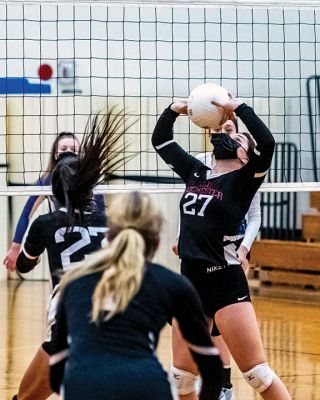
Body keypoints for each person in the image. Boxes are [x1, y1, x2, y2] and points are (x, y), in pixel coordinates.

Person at [152, 94, 291, 400]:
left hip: (225, 282)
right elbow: (161, 140)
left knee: (257, 375)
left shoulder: (244, 181)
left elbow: (266, 144)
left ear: (246, 155)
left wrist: (238, 106)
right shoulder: (195, 171)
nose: (227, 136)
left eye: (237, 136)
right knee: (182, 380)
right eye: (225, 131)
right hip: (188, 284)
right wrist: (175, 110)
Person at [49, 191, 224, 400]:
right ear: (156, 239)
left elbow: (55, 374)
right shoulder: (172, 284)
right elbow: (213, 372)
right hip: (146, 386)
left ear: (109, 235)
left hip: (83, 385)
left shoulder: (73, 282)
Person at [11, 109, 128, 400]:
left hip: (69, 315)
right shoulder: (109, 221)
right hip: (113, 313)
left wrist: (25, 252)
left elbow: (24, 266)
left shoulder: (47, 224)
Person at [3, 131, 105, 272]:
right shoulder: (46, 181)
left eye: (74, 149)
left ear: (80, 154)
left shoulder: (90, 182)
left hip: (86, 240)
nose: (68, 152)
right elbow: (26, 213)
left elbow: (101, 216)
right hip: (61, 237)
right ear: (55, 154)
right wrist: (15, 247)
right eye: (64, 149)